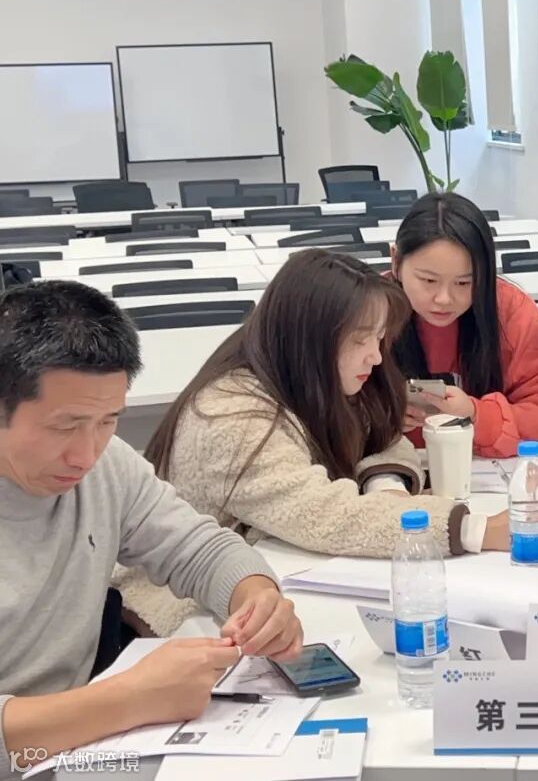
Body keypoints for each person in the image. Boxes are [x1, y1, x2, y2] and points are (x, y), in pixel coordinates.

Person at [115, 250, 510, 637]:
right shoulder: (231, 414)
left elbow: (381, 435)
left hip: (273, 577)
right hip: (188, 614)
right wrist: (471, 529)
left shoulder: (314, 375)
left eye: (378, 338)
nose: (375, 357)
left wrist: (385, 485)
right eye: (360, 340)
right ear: (309, 338)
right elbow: (320, 514)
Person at [0, 281, 302, 776]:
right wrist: (130, 698)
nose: (86, 455)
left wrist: (257, 597)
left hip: (79, 754)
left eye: (108, 421)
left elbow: (198, 549)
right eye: (64, 426)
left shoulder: (107, 467)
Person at [390, 192, 538, 457]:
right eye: (428, 280)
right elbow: (332, 413)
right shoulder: (367, 312)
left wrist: (477, 414)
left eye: (464, 283)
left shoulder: (510, 312)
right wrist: (379, 419)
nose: (444, 299)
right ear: (396, 261)